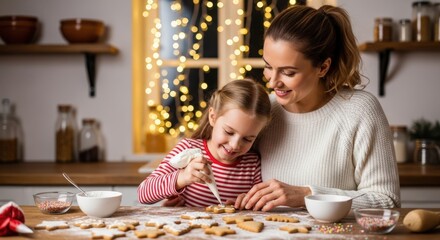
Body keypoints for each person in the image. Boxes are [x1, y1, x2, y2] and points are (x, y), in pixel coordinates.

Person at [234, 4, 401, 211]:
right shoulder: (263, 110)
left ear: (323, 67)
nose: (272, 82)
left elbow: (387, 201)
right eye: (268, 67)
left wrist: (308, 195)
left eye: (288, 72)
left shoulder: (360, 110)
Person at [137, 79, 271, 207]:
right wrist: (182, 178)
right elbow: (143, 194)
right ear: (213, 117)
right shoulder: (188, 150)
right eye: (229, 132)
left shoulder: (252, 165)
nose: (235, 145)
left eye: (247, 139)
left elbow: (261, 204)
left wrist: (248, 204)